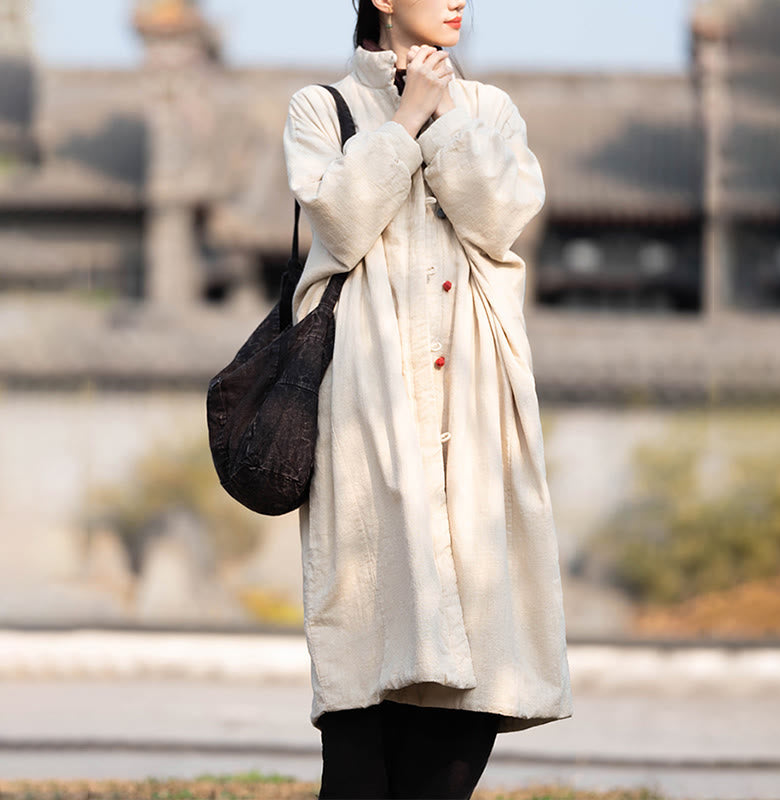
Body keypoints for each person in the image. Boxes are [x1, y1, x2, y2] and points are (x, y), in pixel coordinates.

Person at [282, 0, 573, 797]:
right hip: (366, 405)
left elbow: (500, 216)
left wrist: (441, 113)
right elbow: (340, 225)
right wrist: (403, 118)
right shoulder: (324, 107)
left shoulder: (488, 110)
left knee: (476, 658)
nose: (459, 2)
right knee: (365, 662)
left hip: (476, 404)